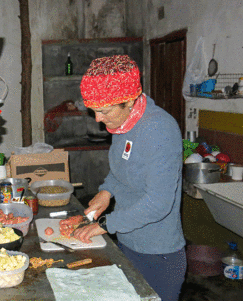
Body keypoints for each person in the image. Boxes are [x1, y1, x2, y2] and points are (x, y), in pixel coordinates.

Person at [72, 55, 186, 301]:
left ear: (130, 100)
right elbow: (122, 169)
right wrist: (106, 192)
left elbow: (158, 203)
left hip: (158, 255)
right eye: (94, 111)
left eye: (103, 111)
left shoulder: (159, 131)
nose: (98, 120)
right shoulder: (122, 123)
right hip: (128, 242)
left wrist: (104, 225)